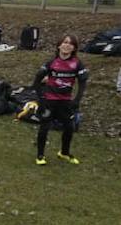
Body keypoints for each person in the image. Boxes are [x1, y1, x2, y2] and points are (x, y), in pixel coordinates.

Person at [32, 34, 89, 166]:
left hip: (65, 102)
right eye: (65, 42)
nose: (67, 45)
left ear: (74, 48)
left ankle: (64, 153)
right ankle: (40, 155)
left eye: (70, 43)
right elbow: (36, 81)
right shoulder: (51, 63)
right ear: (59, 45)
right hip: (49, 101)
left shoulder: (77, 64)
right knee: (44, 128)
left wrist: (77, 100)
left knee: (70, 127)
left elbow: (82, 83)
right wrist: (41, 99)